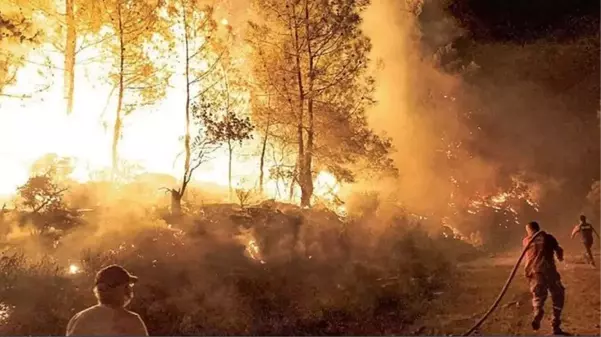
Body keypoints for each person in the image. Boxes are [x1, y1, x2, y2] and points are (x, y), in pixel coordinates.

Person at [66, 264, 149, 336]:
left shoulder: (79, 318)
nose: (129, 290)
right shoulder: (131, 321)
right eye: (127, 285)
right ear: (120, 289)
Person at [523, 221, 566, 335]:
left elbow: (528, 258)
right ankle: (555, 324)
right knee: (558, 294)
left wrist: (526, 271)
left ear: (529, 230)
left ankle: (537, 312)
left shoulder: (527, 241)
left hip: (535, 273)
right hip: (549, 271)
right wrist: (560, 257)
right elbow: (559, 249)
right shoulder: (548, 237)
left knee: (538, 296)